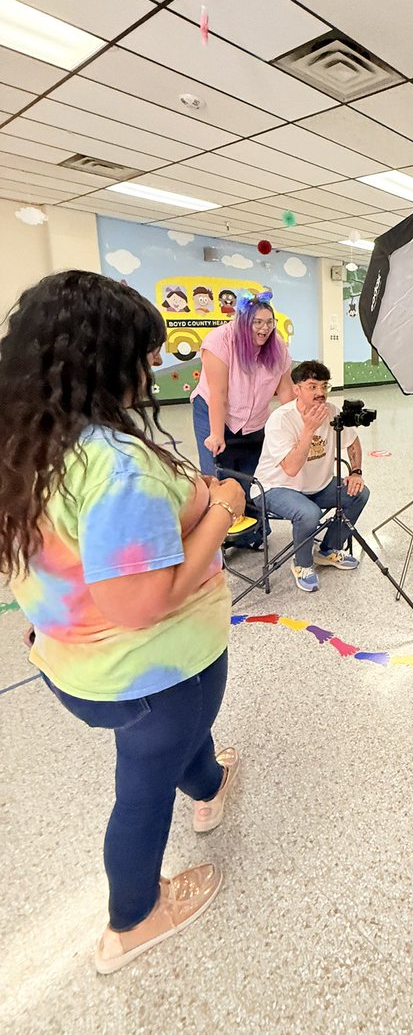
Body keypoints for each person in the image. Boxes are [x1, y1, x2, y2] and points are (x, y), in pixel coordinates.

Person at [0, 270, 247, 973]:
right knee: (141, 788)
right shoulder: (119, 468)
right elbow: (141, 604)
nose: (150, 370)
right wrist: (223, 507)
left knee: (167, 750)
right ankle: (132, 918)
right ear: (98, 364)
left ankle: (207, 787)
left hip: (73, 665)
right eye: (140, 357)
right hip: (155, 672)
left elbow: (47, 556)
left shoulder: (24, 443)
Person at [255, 360, 369, 592]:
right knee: (309, 513)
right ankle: (302, 564)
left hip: (317, 486)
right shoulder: (281, 419)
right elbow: (291, 469)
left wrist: (355, 472)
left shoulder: (332, 411)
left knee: (359, 494)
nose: (320, 393)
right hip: (276, 487)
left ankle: (328, 550)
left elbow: (352, 441)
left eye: (324, 386)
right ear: (297, 389)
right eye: (312, 387)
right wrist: (308, 429)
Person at [191, 290, 293, 546]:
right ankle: (215, 537)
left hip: (255, 418)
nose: (264, 328)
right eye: (257, 322)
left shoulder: (277, 346)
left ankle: (250, 534)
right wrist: (216, 433)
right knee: (219, 476)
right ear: (243, 322)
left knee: (251, 475)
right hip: (214, 412)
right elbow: (219, 394)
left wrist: (299, 428)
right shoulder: (220, 342)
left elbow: (287, 392)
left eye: (269, 322)